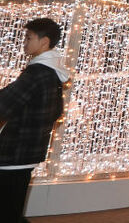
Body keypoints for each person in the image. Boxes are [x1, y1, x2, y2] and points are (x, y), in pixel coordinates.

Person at [0, 18, 69, 223]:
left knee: (6, 211)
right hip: (29, 150)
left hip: (14, 151)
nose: (25, 43)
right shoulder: (54, 72)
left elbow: (5, 104)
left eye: (29, 38)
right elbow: (57, 111)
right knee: (12, 207)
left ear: (44, 41)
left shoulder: (37, 72)